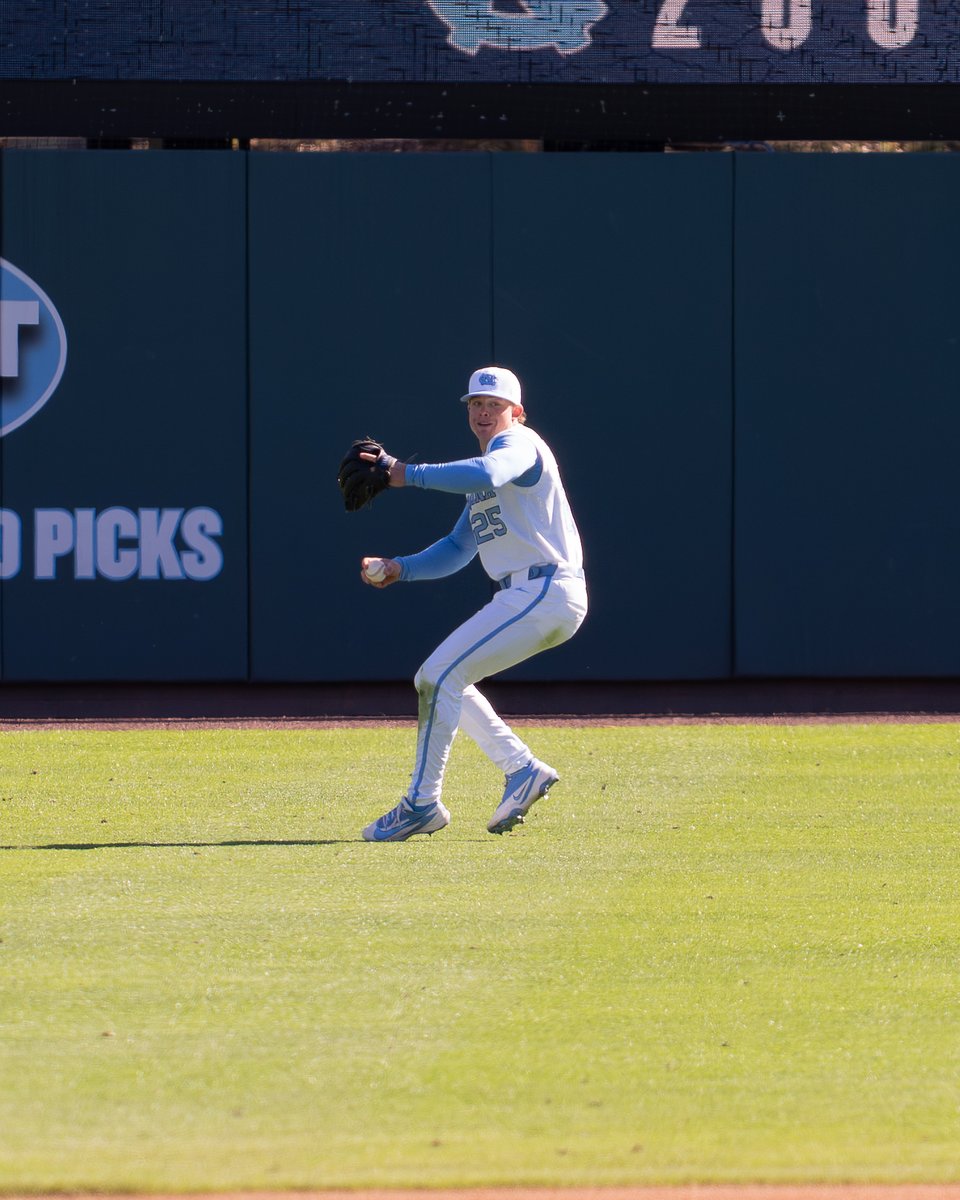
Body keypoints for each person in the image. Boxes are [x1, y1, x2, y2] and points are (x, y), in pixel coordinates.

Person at [358, 366, 587, 841]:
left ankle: (420, 804)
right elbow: (458, 548)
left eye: (494, 404)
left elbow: (489, 470)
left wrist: (406, 474)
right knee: (438, 677)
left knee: (440, 676)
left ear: (517, 411)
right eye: (476, 404)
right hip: (531, 594)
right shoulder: (489, 473)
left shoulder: (518, 444)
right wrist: (401, 567)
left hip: (544, 589)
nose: (484, 412)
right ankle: (522, 768)